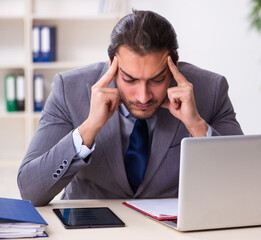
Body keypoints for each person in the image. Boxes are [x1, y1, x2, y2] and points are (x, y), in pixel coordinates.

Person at [17, 10, 243, 206]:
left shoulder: (210, 90)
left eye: (157, 79)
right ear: (111, 66)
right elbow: (30, 191)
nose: (143, 96)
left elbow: (243, 184)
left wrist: (197, 126)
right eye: (130, 79)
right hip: (89, 228)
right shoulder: (70, 90)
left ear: (173, 67)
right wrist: (89, 128)